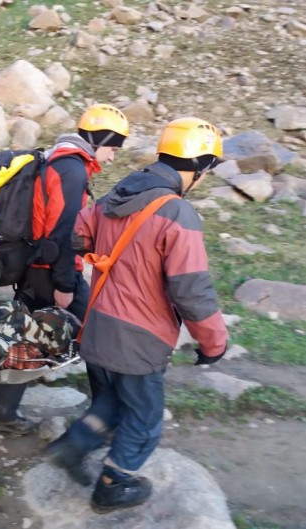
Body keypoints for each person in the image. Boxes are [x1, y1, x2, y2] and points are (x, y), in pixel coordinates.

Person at [46, 117, 229, 513]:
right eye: (208, 169)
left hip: (99, 323)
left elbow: (79, 234)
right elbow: (192, 291)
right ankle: (112, 485)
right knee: (145, 417)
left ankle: (73, 445)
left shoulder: (120, 192)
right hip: (140, 337)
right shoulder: (177, 213)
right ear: (199, 165)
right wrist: (214, 343)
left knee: (115, 399)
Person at [0, 104, 130, 436]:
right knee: (95, 334)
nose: (112, 157)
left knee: (26, 335)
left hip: (37, 266)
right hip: (52, 272)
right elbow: (63, 232)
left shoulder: (61, 160)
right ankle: (108, 414)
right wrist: (64, 283)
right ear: (101, 139)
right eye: (113, 148)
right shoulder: (72, 170)